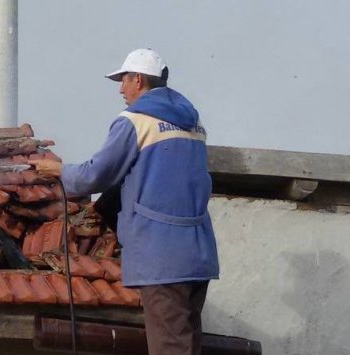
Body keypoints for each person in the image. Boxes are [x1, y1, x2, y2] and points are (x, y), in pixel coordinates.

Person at [30, 48, 219, 355]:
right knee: (187, 344)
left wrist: (60, 171)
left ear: (138, 79)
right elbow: (158, 178)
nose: (120, 89)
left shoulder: (135, 121)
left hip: (162, 257)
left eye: (123, 81)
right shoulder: (193, 125)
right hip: (197, 255)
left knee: (170, 348)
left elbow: (97, 174)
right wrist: (105, 208)